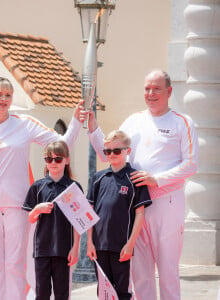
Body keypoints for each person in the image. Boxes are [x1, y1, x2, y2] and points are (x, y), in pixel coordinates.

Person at [0, 77, 84, 300]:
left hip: (18, 205)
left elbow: (62, 144)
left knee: (16, 265)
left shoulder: (25, 124)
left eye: (7, 95)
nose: (3, 99)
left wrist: (75, 122)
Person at [85, 70, 199, 300]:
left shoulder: (182, 122)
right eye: (147, 88)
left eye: (156, 88)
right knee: (140, 274)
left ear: (169, 91)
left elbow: (191, 164)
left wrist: (156, 179)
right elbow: (110, 152)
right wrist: (93, 127)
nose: (151, 93)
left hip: (166, 202)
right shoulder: (133, 121)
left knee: (167, 271)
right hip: (134, 207)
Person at [86, 130, 152, 300]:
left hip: (121, 247)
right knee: (103, 291)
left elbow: (140, 214)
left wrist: (130, 244)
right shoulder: (98, 178)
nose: (112, 154)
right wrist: (90, 243)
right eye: (107, 151)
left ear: (127, 151)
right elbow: (89, 213)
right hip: (99, 246)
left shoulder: (135, 178)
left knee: (122, 292)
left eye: (116, 151)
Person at [22, 141, 81, 300]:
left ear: (67, 160)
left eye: (58, 159)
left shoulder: (73, 187)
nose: (53, 163)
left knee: (62, 294)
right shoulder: (37, 187)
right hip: (42, 250)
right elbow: (30, 217)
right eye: (49, 159)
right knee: (42, 294)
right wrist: (37, 209)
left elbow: (79, 222)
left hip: (64, 250)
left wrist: (75, 248)